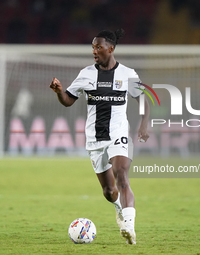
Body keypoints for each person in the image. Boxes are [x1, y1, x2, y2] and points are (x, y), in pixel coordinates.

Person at [49, 28, 149, 245]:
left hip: (119, 134)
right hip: (94, 139)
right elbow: (68, 100)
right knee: (108, 191)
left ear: (111, 48)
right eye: (93, 47)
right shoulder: (86, 74)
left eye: (99, 47)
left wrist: (144, 124)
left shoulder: (128, 74)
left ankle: (129, 227)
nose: (94, 51)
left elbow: (143, 100)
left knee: (122, 175)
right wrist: (59, 91)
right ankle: (119, 209)